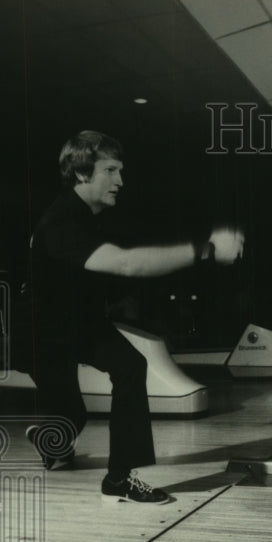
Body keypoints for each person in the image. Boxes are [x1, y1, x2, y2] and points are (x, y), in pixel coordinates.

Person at [26, 130, 244, 504]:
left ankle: (119, 479)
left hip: (82, 322)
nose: (120, 181)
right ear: (81, 173)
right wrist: (206, 250)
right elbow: (128, 263)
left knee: (131, 367)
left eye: (120, 171)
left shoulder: (94, 217)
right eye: (110, 170)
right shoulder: (61, 221)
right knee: (69, 415)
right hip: (43, 331)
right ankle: (50, 440)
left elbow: (134, 253)